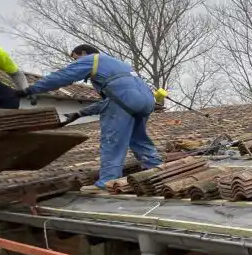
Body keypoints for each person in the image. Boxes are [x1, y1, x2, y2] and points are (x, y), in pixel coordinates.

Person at [24, 45, 162, 188]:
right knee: (138, 140)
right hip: (147, 100)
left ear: (84, 53)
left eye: (76, 58)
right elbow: (110, 103)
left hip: (125, 99)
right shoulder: (119, 65)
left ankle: (107, 182)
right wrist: (79, 113)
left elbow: (63, 76)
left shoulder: (93, 59)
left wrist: (31, 89)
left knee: (112, 142)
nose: (75, 62)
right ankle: (158, 172)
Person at [0, 36, 29, 109]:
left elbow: (16, 74)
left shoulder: (0, 55)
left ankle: (2, 115)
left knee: (11, 98)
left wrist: (26, 90)